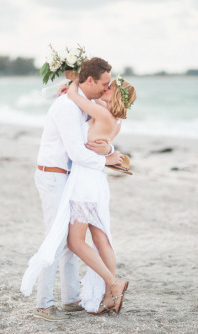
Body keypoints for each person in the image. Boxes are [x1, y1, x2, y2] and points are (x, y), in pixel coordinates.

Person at [20, 57, 123, 321]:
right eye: (103, 83)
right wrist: (105, 160)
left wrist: (109, 151)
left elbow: (101, 134)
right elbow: (77, 153)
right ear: (89, 80)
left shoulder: (82, 107)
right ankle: (44, 304)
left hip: (68, 178)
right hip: (53, 177)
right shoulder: (67, 107)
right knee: (55, 239)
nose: (105, 88)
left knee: (69, 242)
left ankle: (71, 299)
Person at [64, 75, 136, 315]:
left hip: (85, 181)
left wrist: (74, 78)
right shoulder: (114, 119)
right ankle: (108, 296)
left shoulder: (103, 114)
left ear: (114, 94)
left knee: (74, 241)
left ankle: (113, 283)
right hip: (97, 181)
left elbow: (74, 96)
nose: (105, 88)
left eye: (109, 87)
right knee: (100, 238)